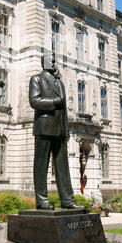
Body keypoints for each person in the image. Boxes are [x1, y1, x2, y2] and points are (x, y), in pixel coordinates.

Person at [29, 53, 84, 210]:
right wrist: (53, 102)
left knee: (63, 167)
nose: (55, 64)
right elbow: (34, 101)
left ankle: (67, 200)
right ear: (44, 63)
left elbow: (64, 110)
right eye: (52, 61)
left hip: (59, 129)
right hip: (44, 127)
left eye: (55, 61)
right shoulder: (37, 79)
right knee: (41, 165)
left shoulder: (60, 83)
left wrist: (66, 130)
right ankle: (41, 200)